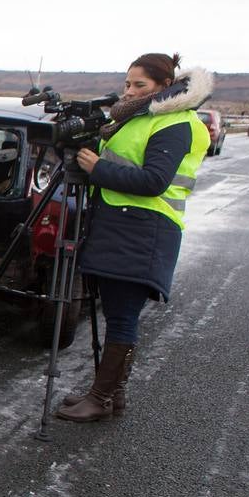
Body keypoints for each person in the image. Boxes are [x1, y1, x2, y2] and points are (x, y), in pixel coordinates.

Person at [56, 53, 212, 422]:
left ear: (165, 87)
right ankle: (111, 393)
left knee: (123, 316)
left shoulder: (174, 122)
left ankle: (100, 396)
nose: (129, 91)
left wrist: (98, 168)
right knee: (115, 312)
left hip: (145, 229)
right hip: (121, 226)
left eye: (140, 85)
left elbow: (154, 180)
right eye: (127, 83)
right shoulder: (138, 119)